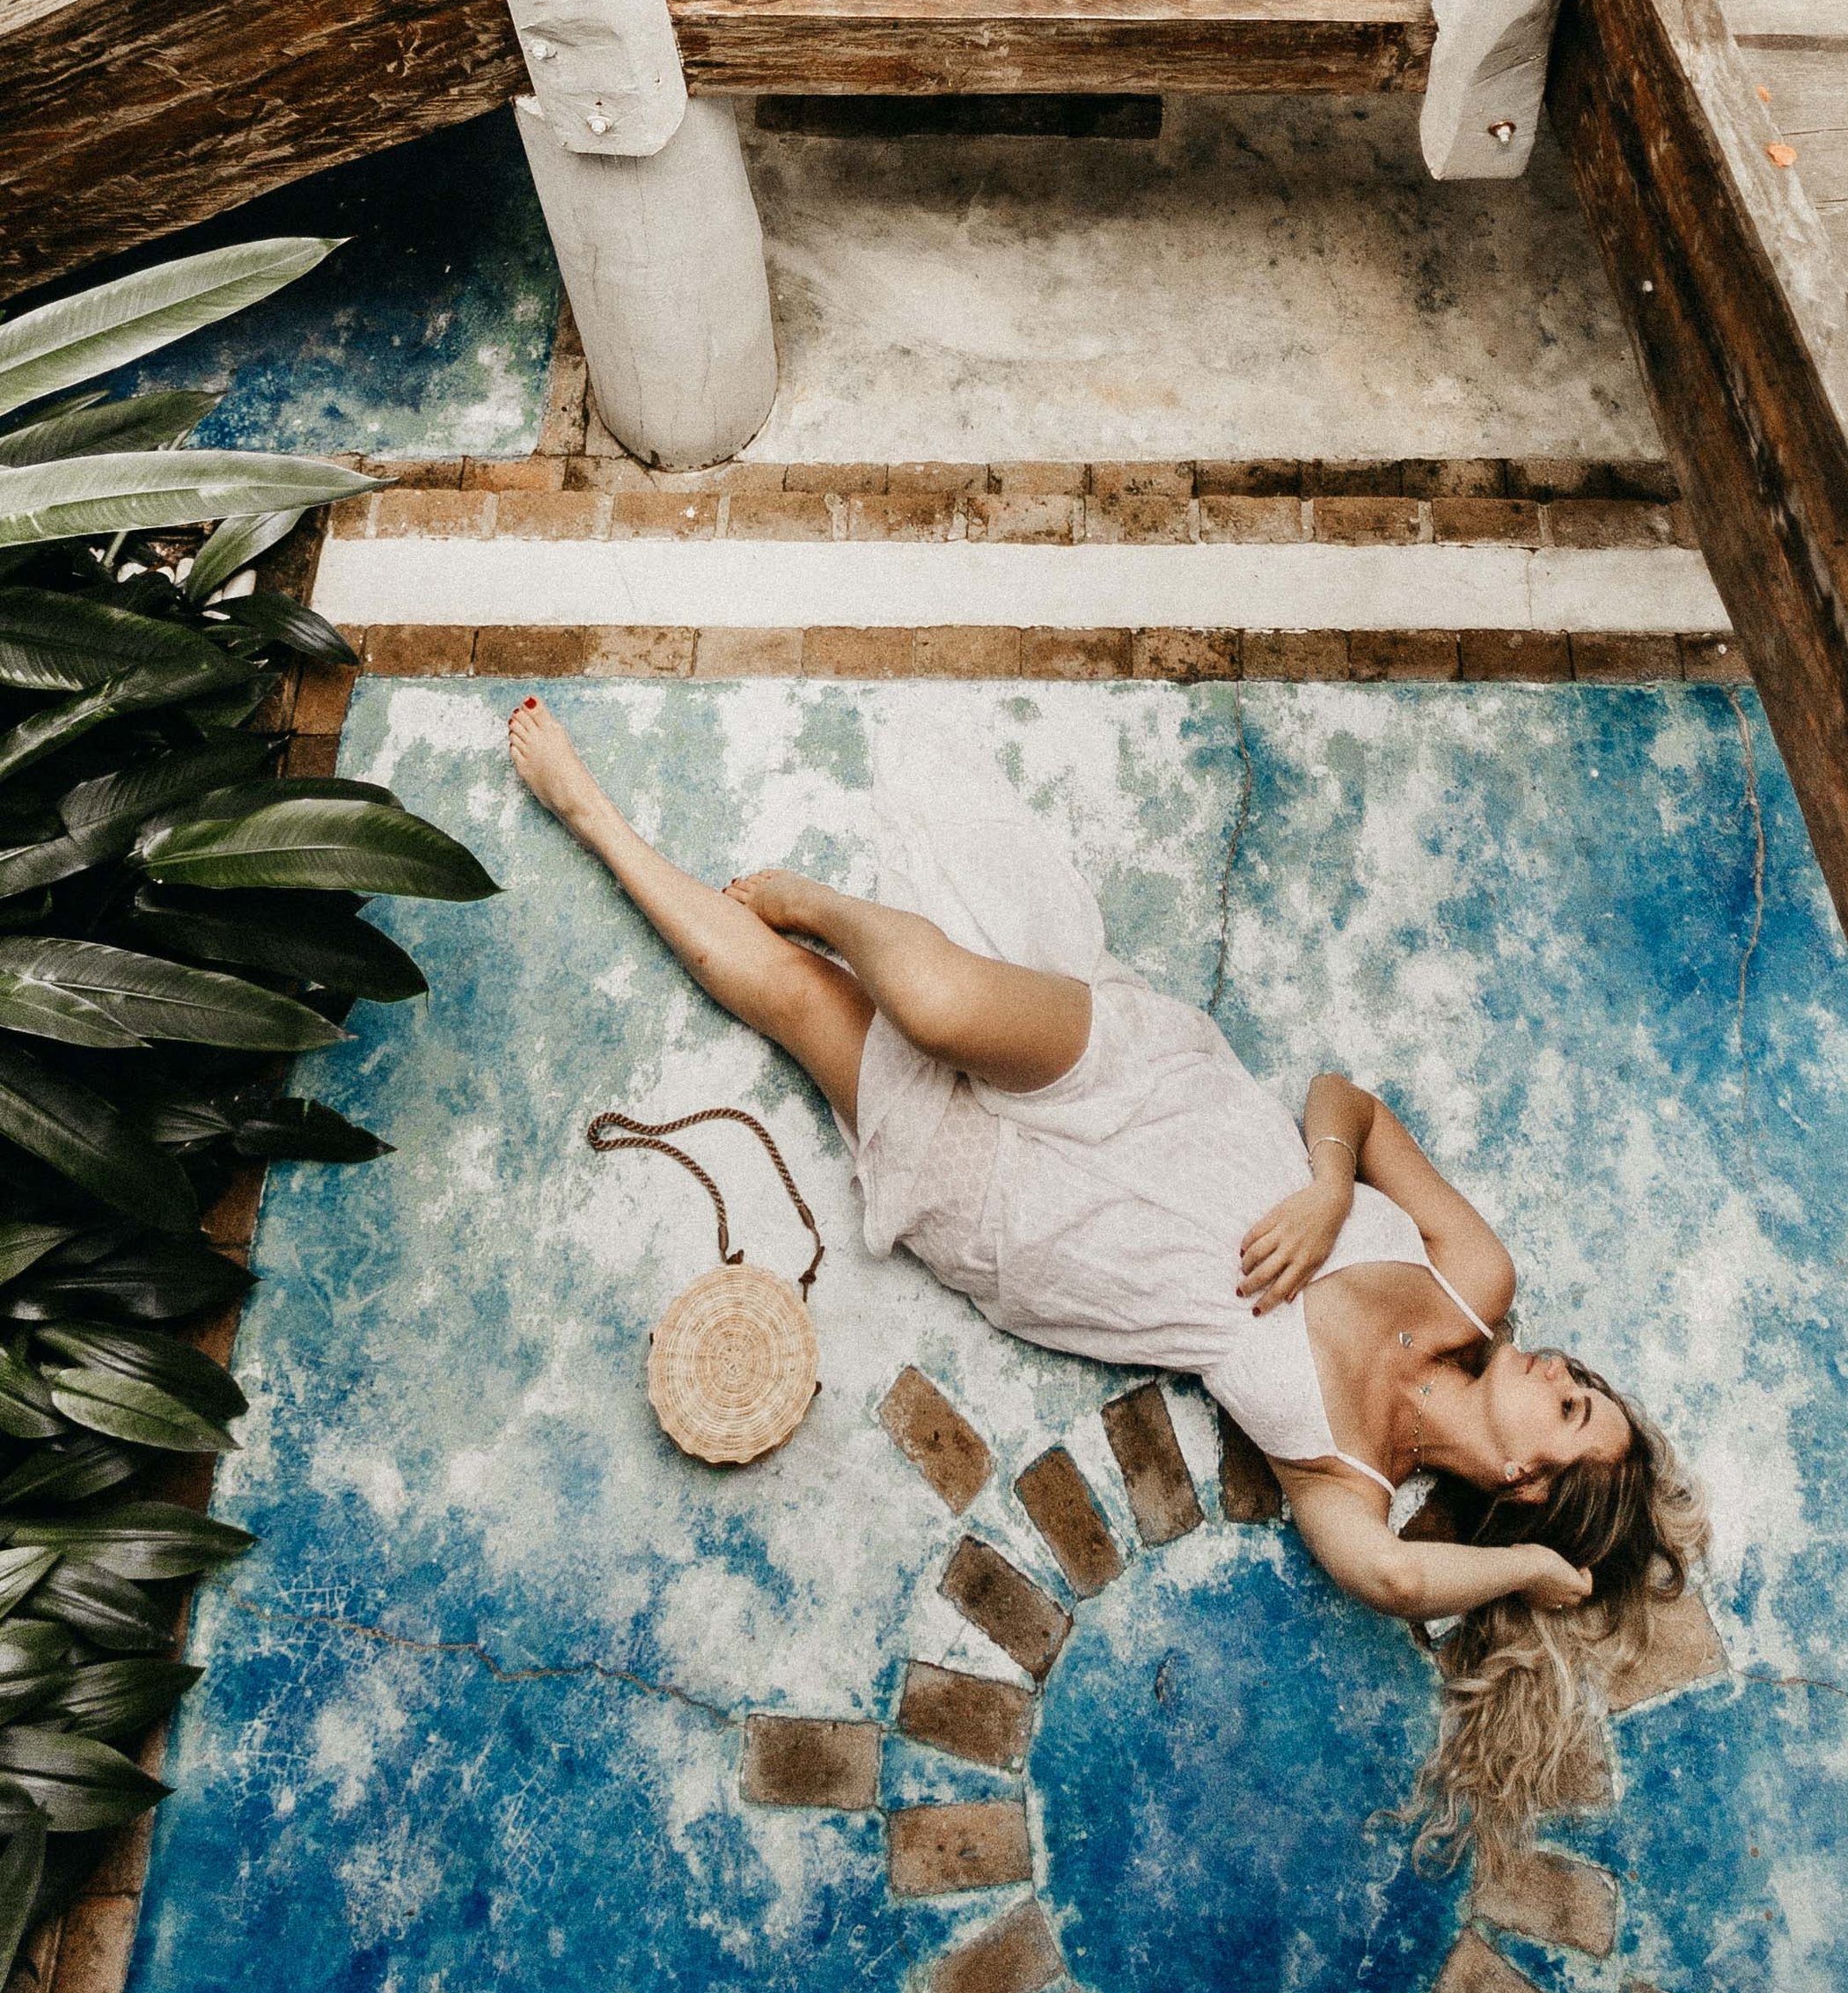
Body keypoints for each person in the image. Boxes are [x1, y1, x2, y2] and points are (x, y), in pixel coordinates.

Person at [508, 697, 1706, 1863]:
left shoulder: (1351, 1484)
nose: (1564, 1370)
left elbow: (1396, 1577)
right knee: (933, 1000)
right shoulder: (1475, 1279)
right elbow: (1347, 1098)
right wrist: (1330, 1188)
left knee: (795, 1000)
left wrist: (1531, 1572)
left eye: (1570, 1408)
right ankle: (826, 903)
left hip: (1049, 1233)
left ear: (1524, 1479)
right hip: (1146, 1087)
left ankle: (591, 814)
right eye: (1586, 1385)